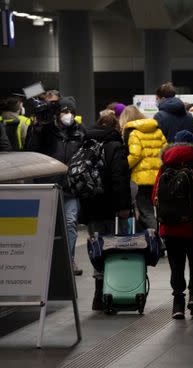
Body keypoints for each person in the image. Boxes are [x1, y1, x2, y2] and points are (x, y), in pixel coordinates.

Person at [153, 130, 193, 319]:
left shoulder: (164, 168)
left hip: (170, 227)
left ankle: (177, 303)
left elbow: (155, 196)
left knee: (176, 264)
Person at [26, 97, 86, 276]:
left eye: (72, 112)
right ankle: (44, 261)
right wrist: (37, 129)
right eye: (65, 111)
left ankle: (69, 260)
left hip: (70, 185)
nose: (69, 115)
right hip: (47, 184)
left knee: (69, 223)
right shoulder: (44, 130)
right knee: (46, 226)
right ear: (57, 114)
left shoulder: (80, 131)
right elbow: (31, 150)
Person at [80, 113, 132, 310]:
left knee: (97, 246)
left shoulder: (86, 143)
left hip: (91, 205)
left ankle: (98, 293)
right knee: (114, 247)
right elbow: (120, 179)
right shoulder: (115, 146)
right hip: (111, 206)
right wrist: (124, 206)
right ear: (116, 128)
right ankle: (112, 292)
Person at [120, 105, 167, 232]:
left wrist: (123, 167)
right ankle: (160, 236)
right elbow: (166, 150)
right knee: (157, 209)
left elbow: (136, 155)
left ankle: (156, 239)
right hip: (160, 176)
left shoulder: (133, 132)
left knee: (145, 210)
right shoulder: (157, 130)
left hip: (142, 179)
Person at [153, 82, 193, 149]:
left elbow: (156, 143)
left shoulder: (159, 116)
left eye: (157, 99)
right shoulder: (189, 116)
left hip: (168, 156)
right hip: (187, 156)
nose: (156, 101)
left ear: (163, 99)